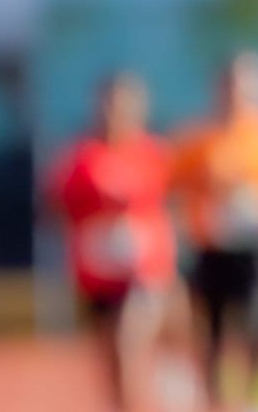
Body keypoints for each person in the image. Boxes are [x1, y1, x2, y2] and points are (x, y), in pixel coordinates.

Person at [170, 51, 258, 412]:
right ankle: (213, 400)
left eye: (246, 87)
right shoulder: (196, 137)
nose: (237, 95)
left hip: (256, 246)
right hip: (211, 247)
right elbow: (172, 187)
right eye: (230, 86)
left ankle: (251, 398)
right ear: (218, 89)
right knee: (210, 330)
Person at [47, 72, 179, 412]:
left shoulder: (154, 154)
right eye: (108, 105)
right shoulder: (80, 158)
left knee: (128, 342)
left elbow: (172, 207)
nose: (114, 113)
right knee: (110, 357)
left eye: (123, 105)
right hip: (99, 274)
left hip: (145, 271)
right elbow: (54, 208)